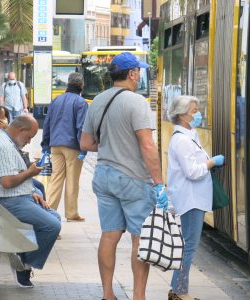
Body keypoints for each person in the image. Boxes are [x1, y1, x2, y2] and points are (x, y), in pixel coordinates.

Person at [80, 52, 166, 300]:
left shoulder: (97, 101)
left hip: (104, 176)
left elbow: (85, 143)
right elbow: (147, 146)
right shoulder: (136, 102)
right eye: (138, 71)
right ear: (131, 74)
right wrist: (159, 183)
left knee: (110, 234)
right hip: (132, 179)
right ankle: (139, 296)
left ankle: (108, 293)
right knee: (139, 238)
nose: (140, 75)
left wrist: (109, 145)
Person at [166, 95, 226, 300]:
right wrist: (211, 163)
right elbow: (192, 171)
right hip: (190, 199)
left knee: (188, 243)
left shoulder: (190, 135)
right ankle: (180, 291)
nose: (198, 113)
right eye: (194, 111)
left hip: (195, 197)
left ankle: (176, 288)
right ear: (182, 115)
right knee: (189, 245)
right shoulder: (182, 140)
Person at [0, 115, 62, 288]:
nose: (28, 141)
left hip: (19, 195)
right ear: (21, 130)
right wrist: (30, 174)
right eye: (29, 137)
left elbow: (16, 172)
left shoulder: (10, 142)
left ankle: (23, 258)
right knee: (52, 225)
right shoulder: (2, 145)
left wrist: (32, 189)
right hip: (9, 199)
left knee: (55, 218)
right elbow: (7, 182)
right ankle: (24, 263)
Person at [41, 73, 88, 222]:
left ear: (68, 84)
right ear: (81, 86)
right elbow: (81, 127)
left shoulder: (56, 100)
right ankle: (71, 213)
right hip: (72, 146)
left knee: (55, 180)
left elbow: (47, 124)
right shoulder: (81, 102)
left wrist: (46, 145)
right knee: (72, 181)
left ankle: (47, 213)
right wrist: (84, 148)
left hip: (55, 145)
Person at [0, 104, 47, 199]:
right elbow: (7, 182)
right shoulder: (2, 142)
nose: (5, 122)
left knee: (39, 189)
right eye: (1, 118)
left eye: (6, 119)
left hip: (22, 192)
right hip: (13, 197)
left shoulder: (9, 139)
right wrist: (30, 173)